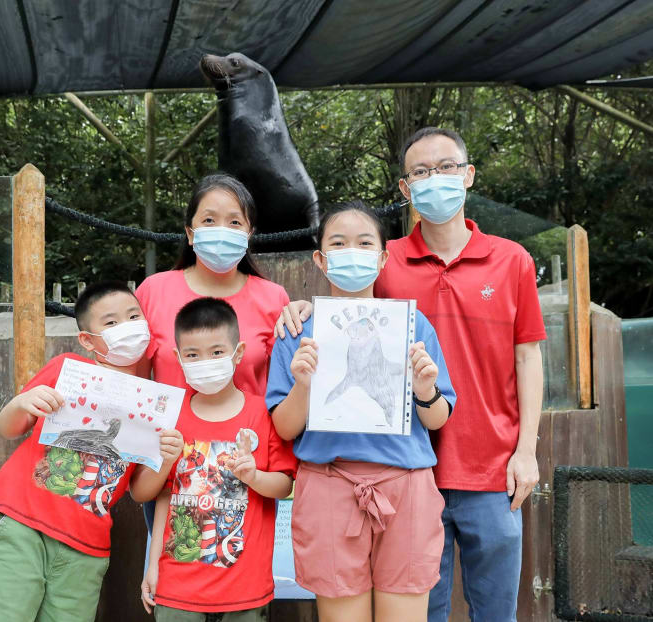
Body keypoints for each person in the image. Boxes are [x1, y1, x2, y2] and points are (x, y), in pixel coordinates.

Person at [276, 128, 546, 622]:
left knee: (496, 608)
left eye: (446, 167)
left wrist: (526, 451)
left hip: (490, 463)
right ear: (405, 188)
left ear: (468, 175)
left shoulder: (513, 260)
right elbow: (343, 300)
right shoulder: (386, 259)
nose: (434, 179)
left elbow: (528, 357)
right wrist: (294, 309)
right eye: (420, 171)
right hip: (409, 467)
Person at [266, 201, 456, 622]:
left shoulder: (413, 325)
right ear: (320, 258)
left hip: (405, 487)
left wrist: (425, 390)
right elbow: (283, 425)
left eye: (364, 242)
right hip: (329, 485)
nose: (352, 251)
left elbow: (438, 417)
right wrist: (303, 385)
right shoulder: (297, 331)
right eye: (338, 242)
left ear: (383, 256)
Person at [0, 281, 184, 622]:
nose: (126, 326)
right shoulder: (67, 368)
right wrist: (23, 402)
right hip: (20, 523)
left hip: (86, 547)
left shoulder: (156, 402)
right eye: (111, 322)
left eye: (133, 316)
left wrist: (166, 459)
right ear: (87, 340)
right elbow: (9, 427)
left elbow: (140, 491)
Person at [136, 173, 290, 530]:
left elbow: (277, 392)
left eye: (234, 221)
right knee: (169, 575)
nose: (221, 229)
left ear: (249, 233)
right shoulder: (153, 292)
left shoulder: (273, 298)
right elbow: (136, 381)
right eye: (209, 220)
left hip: (245, 470)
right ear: (190, 233)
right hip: (169, 466)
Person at [141, 297, 297, 621]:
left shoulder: (262, 414)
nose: (205, 362)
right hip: (176, 588)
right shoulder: (172, 416)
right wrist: (152, 566)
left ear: (238, 353)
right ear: (178, 358)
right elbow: (163, 497)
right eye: (193, 355)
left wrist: (254, 477)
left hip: (245, 590)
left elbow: (283, 485)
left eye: (216, 352)